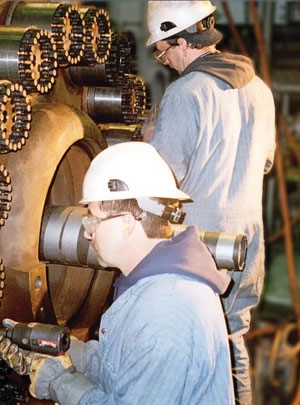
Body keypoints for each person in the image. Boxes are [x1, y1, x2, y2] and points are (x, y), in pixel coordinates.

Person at [0, 142, 235, 404]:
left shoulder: (165, 313)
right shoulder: (151, 285)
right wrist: (63, 348)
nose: (87, 232)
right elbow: (126, 367)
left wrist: (58, 382)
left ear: (126, 224)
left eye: (93, 220)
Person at [144, 2, 276, 404]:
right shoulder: (259, 90)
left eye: (164, 51)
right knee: (231, 338)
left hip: (199, 246)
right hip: (247, 243)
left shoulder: (187, 92)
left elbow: (162, 180)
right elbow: (265, 161)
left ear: (182, 41)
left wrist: (148, 140)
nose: (165, 60)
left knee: (189, 348)